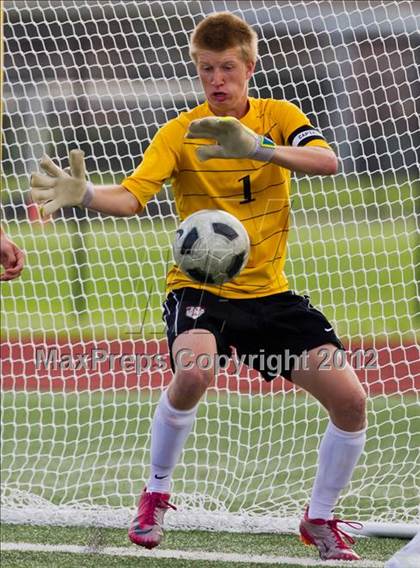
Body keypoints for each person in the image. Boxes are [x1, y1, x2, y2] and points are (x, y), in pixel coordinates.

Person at [30, 12, 367, 561]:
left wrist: (257, 148)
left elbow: (327, 161)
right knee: (195, 369)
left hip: (268, 295)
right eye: (207, 68)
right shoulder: (179, 132)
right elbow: (134, 196)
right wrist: (86, 193)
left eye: (227, 67)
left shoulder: (279, 117)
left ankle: (321, 519)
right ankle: (156, 493)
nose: (217, 79)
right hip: (199, 289)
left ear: (249, 67)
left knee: (351, 401)